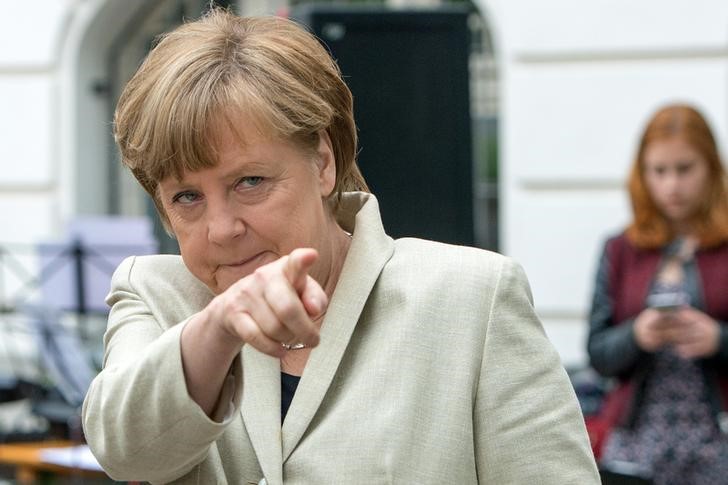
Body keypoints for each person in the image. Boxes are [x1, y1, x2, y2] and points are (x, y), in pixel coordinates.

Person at [82, 8, 599, 484]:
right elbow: (124, 448)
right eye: (187, 196)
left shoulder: (473, 300)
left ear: (323, 163)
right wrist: (218, 328)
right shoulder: (152, 294)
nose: (220, 228)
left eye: (250, 181)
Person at [587, 103, 728, 484]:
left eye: (684, 169)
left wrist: (718, 338)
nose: (672, 185)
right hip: (637, 441)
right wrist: (637, 334)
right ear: (642, 173)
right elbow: (597, 352)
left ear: (711, 168)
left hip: (716, 442)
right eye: (659, 171)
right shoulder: (620, 249)